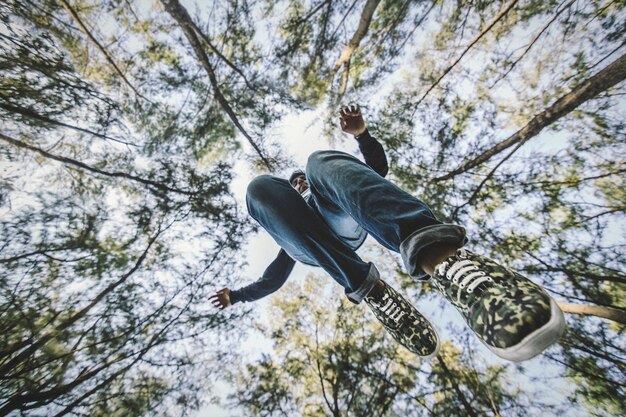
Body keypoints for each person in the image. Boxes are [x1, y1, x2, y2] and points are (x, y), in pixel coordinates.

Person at [210, 106, 566, 362]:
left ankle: (444, 264)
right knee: (259, 188)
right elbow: (272, 280)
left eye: (298, 182)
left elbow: (374, 172)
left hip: (342, 219)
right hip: (312, 243)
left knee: (319, 161)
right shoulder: (289, 225)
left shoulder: (313, 181)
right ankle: (372, 291)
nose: (298, 183)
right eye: (296, 184)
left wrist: (363, 136)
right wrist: (237, 296)